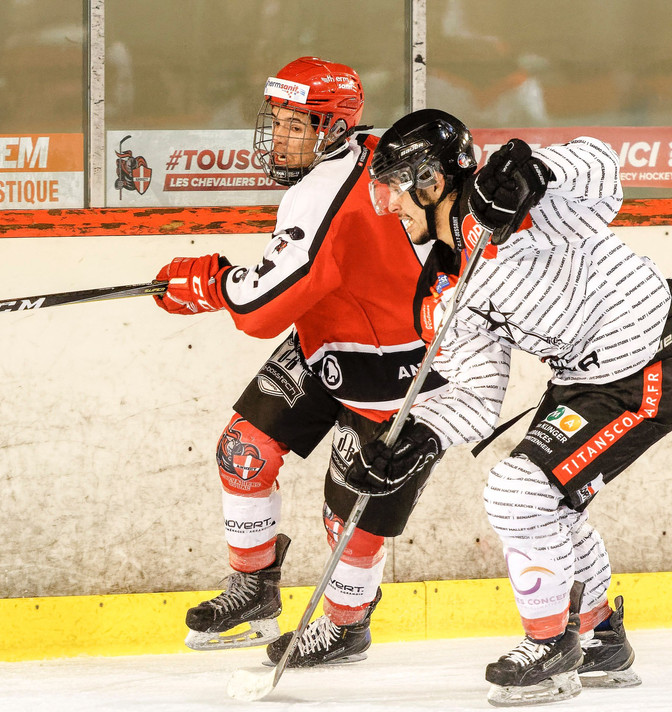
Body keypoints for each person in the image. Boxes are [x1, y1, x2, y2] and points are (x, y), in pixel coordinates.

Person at [152, 57, 454, 666]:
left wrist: (210, 284)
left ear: (335, 127)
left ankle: (345, 625)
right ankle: (254, 589)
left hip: (399, 366)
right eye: (278, 121)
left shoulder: (319, 193)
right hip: (325, 344)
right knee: (244, 451)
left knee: (353, 514)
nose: (280, 137)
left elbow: (262, 309)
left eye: (297, 124)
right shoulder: (369, 154)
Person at [360, 108, 662, 705]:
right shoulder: (442, 289)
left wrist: (537, 169)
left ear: (431, 180)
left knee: (517, 491)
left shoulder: (516, 201)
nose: (388, 204)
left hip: (652, 355)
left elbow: (604, 175)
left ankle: (550, 647)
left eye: (394, 186)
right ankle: (599, 637)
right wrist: (420, 433)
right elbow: (477, 391)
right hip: (586, 381)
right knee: (549, 508)